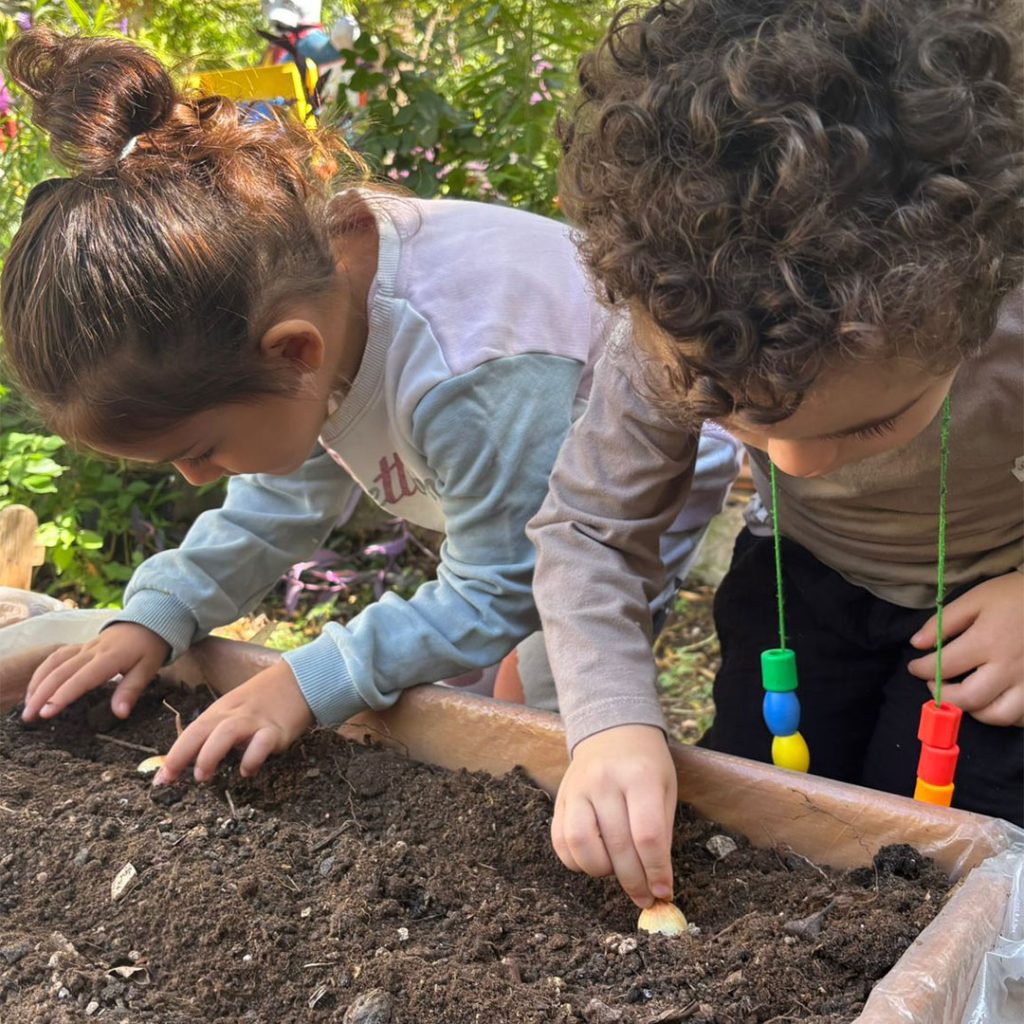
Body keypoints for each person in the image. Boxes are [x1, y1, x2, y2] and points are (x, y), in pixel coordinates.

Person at [2, 30, 740, 785]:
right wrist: (158, 610)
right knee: (489, 675)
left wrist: (305, 681)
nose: (197, 477)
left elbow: (508, 583)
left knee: (563, 685)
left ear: (294, 353)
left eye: (199, 449)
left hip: (643, 456)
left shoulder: (467, 371)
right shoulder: (303, 303)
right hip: (521, 473)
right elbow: (277, 504)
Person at [527, 0, 1023, 911]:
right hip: (802, 591)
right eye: (740, 425)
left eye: (870, 426)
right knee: (764, 820)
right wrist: (609, 724)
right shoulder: (678, 323)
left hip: (993, 625)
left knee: (952, 866)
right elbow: (590, 533)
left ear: (974, 315)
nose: (792, 470)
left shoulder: (1001, 308)